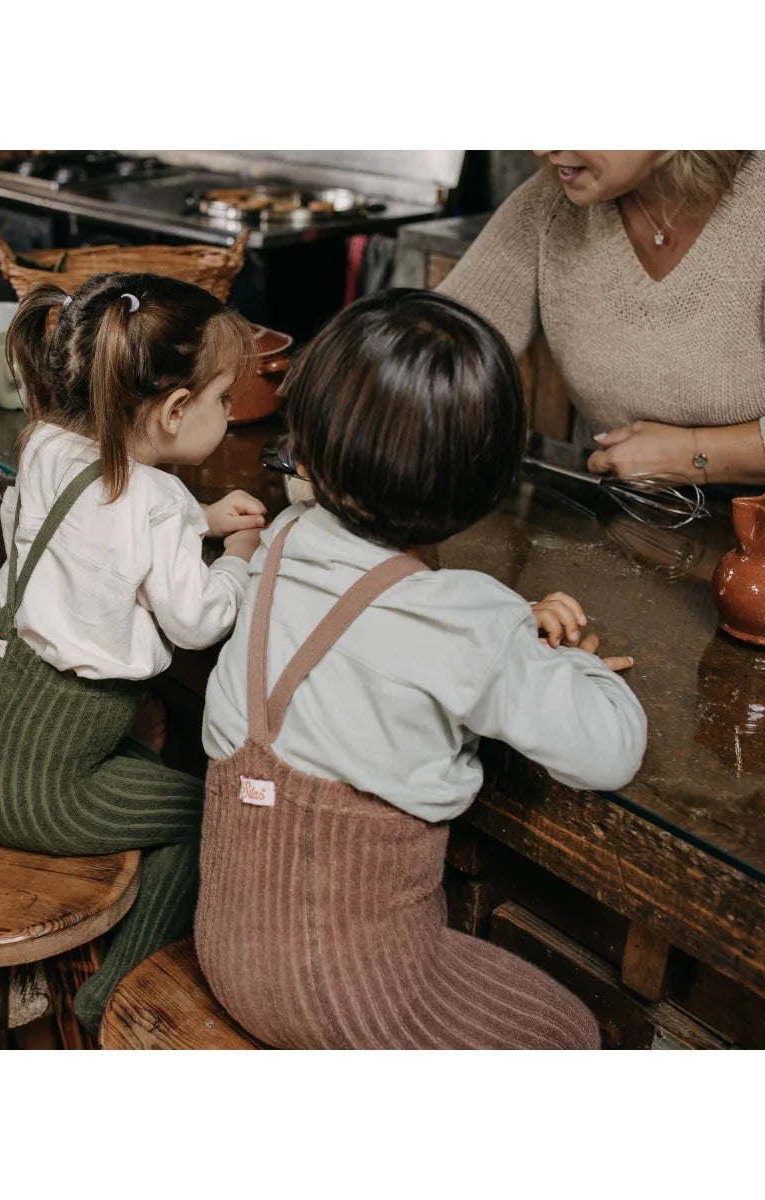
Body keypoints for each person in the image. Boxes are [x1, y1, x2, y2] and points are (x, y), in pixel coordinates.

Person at [198, 289, 648, 1049]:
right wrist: (572, 664)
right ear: (483, 483)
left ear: (306, 445)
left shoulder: (279, 543)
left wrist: (504, 633)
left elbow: (374, 624)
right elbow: (610, 750)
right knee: (570, 1031)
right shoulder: (471, 618)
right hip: (360, 997)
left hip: (228, 951)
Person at [0, 272, 265, 1034]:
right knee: (200, 814)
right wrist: (239, 555)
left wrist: (200, 518)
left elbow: (123, 509)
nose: (228, 412)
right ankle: (108, 996)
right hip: (38, 789)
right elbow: (197, 621)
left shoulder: (51, 443)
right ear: (176, 409)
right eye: (224, 399)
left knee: (148, 771)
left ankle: (81, 951)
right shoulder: (152, 503)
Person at [438, 150, 765, 485]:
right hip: (611, 510)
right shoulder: (551, 204)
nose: (539, 147)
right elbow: (439, 339)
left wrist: (696, 454)